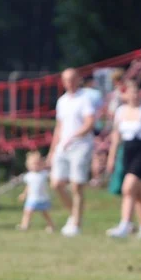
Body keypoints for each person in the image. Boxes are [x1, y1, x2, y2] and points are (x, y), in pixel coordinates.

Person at [104, 79, 141, 238]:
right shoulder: (120, 111)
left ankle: (125, 224)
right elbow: (116, 136)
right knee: (138, 193)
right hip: (127, 151)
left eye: (137, 92)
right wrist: (111, 157)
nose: (134, 95)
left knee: (128, 187)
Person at [48, 68, 96, 236]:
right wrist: (52, 151)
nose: (69, 82)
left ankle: (75, 223)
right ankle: (74, 215)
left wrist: (76, 135)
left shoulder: (85, 99)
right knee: (56, 183)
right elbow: (59, 127)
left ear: (78, 80)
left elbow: (90, 122)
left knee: (76, 185)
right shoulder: (62, 101)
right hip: (63, 147)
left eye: (72, 79)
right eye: (66, 79)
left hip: (81, 146)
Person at [17, 150, 55, 232]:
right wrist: (24, 194)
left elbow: (52, 180)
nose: (35, 166)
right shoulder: (29, 176)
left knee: (45, 213)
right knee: (27, 212)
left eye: (38, 163)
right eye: (33, 164)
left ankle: (51, 225)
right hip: (32, 198)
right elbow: (28, 186)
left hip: (43, 198)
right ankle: (25, 225)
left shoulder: (44, 174)